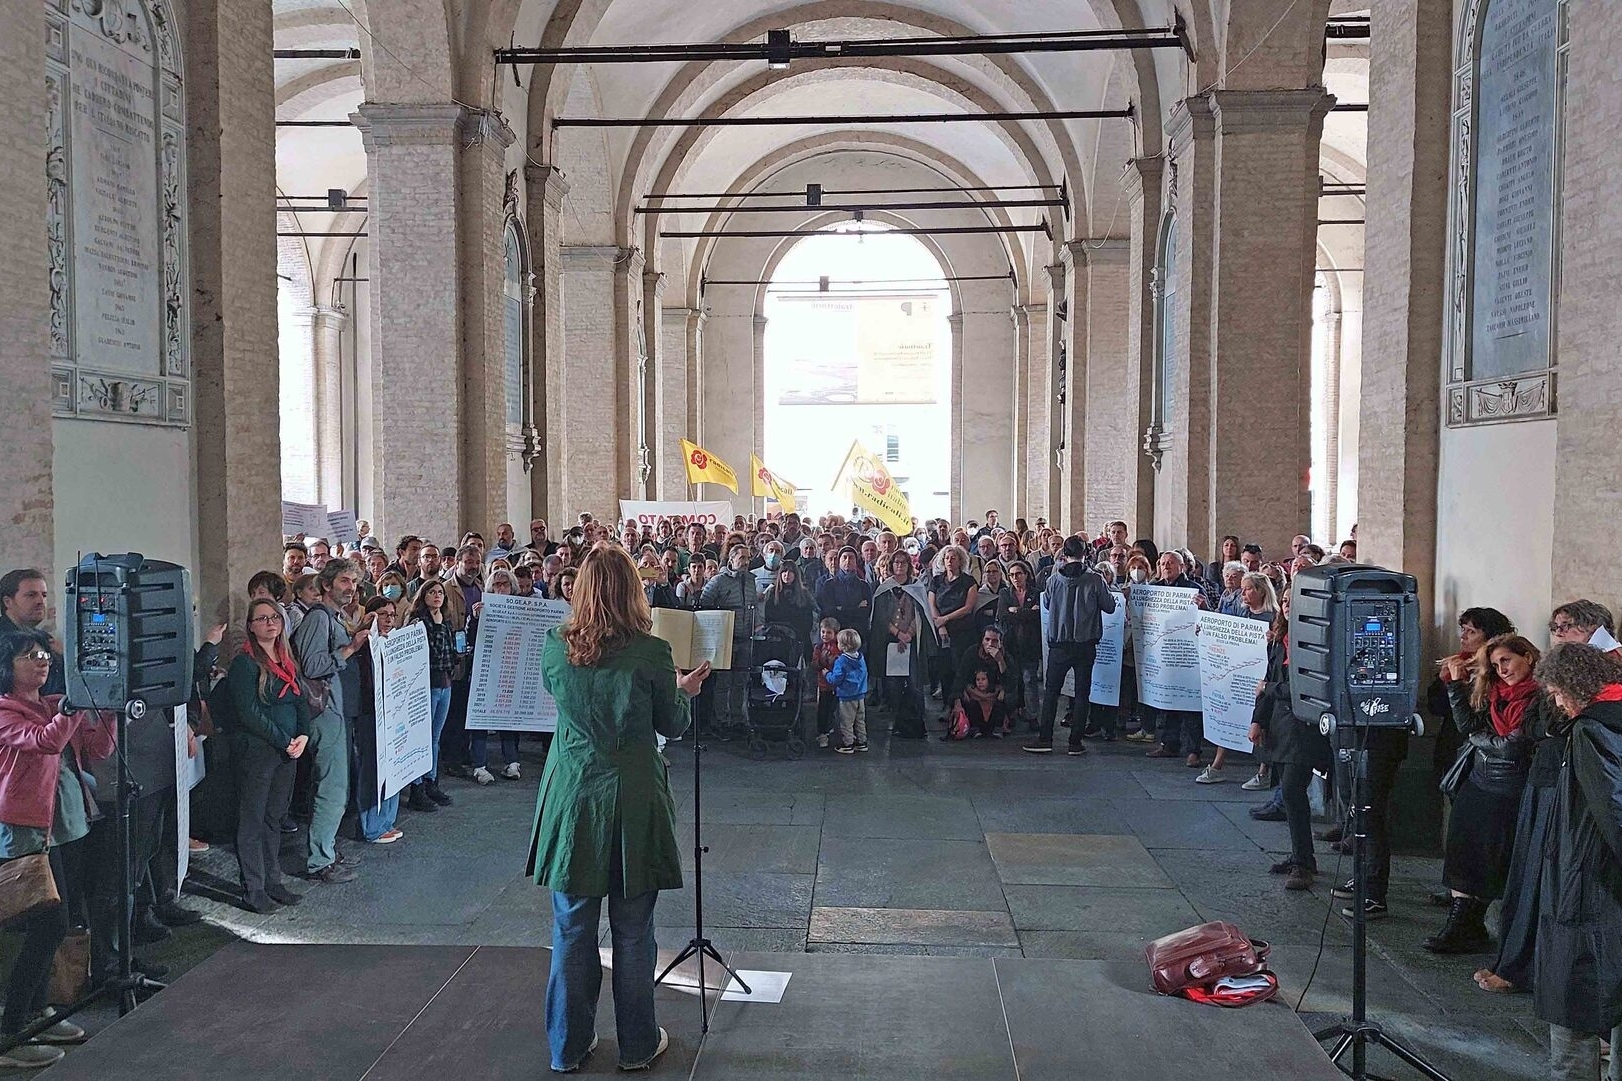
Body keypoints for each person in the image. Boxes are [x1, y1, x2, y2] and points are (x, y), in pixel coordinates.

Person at [526, 545, 709, 1073]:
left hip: (574, 794)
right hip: (632, 797)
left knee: (572, 928)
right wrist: (684, 691)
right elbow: (669, 725)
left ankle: (567, 1045)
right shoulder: (651, 652)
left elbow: (570, 704)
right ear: (633, 591)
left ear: (580, 590)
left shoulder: (554, 646)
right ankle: (635, 1045)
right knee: (632, 930)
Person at [0, 628, 114, 1065]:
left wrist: (108, 707)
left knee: (59, 920)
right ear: (7, 668)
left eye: (45, 654)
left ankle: (35, 1009)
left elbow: (98, 748)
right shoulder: (8, 711)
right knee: (48, 924)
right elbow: (45, 742)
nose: (43, 661)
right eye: (31, 656)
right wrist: (71, 709)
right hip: (27, 830)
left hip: (64, 827)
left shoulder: (48, 705)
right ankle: (11, 1031)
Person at [1521, 643, 1622, 1081]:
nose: (1558, 702)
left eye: (1558, 692)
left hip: (1589, 887)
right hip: (1604, 885)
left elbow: (1613, 808)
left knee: (1573, 1000)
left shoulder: (1593, 731)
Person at [1423, 635, 1549, 953]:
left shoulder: (1539, 696)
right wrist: (1455, 687)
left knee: (1493, 857)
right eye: (1495, 665)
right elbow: (1467, 725)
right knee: (1462, 851)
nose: (1501, 669)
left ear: (1529, 657)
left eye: (1506, 660)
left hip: (1509, 788)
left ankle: (1471, 924)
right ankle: (1462, 923)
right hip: (1479, 781)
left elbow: (1511, 747)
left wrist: (1478, 738)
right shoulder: (1495, 693)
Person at [289, 559, 371, 884]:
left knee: (336, 786)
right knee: (332, 789)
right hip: (326, 712)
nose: (350, 588)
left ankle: (326, 851)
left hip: (339, 709)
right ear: (326, 584)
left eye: (353, 582)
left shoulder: (333, 618)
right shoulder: (318, 619)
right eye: (344, 581)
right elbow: (312, 666)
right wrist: (350, 649)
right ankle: (320, 861)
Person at [227, 600, 312, 910]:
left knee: (274, 818)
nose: (270, 623)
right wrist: (283, 739)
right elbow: (249, 712)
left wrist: (303, 734)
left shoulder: (287, 659)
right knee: (252, 819)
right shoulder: (245, 664)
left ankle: (273, 880)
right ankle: (253, 887)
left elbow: (300, 699)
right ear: (251, 626)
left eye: (275, 617)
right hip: (259, 751)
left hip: (287, 750)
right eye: (262, 619)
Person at [1249, 594, 1328, 890]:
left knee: (1294, 791)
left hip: (1303, 728)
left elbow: (1305, 686)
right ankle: (1301, 855)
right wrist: (1258, 720)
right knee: (1290, 793)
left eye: (1293, 600)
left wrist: (1270, 688)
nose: (1286, 604)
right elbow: (1266, 679)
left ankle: (1304, 863)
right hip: (1280, 727)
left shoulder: (1313, 641)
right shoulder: (1278, 638)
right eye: (1283, 600)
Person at [1026, 536, 1116, 755]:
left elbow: (1046, 603)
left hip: (1059, 644)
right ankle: (1075, 743)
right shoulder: (1095, 579)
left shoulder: (1054, 580)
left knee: (1051, 692)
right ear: (1086, 553)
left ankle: (1045, 739)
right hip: (1085, 644)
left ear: (1064, 554)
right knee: (1082, 693)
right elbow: (1110, 607)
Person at [1199, 572, 1278, 784]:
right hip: (1239, 673)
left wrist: (1272, 639)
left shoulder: (1273, 617)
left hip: (1262, 675)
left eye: (1248, 588)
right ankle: (1217, 765)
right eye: (1243, 588)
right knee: (1229, 713)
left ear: (1261, 591)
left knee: (1261, 721)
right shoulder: (1242, 614)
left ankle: (1263, 771)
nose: (1243, 593)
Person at [1142, 551, 1208, 767]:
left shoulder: (1193, 589)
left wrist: (1204, 608)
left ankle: (1194, 751)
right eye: (1162, 563)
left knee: (1189, 704)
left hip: (1187, 653)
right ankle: (1169, 744)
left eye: (1170, 563)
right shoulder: (1155, 588)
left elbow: (1207, 618)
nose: (1166, 567)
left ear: (1182, 566)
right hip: (1164, 653)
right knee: (1168, 700)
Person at [351, 597, 403, 844]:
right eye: (383, 614)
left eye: (392, 615)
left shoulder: (395, 642)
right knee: (372, 769)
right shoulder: (362, 647)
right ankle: (372, 825)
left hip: (393, 712)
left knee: (394, 767)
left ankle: (387, 820)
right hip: (370, 714)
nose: (389, 619)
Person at [402, 581, 457, 814]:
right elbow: (430, 652)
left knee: (434, 737)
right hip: (427, 686)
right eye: (432, 592)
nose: (437, 596)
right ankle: (416, 788)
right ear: (423, 596)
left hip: (444, 683)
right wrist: (434, 628)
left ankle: (430, 781)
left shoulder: (444, 622)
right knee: (421, 738)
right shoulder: (420, 623)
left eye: (440, 593)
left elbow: (450, 650)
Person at [872, 553, 931, 740]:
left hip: (912, 642)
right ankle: (898, 721)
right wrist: (897, 634)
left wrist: (909, 634)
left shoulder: (917, 586)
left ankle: (917, 721)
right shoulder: (884, 588)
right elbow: (880, 617)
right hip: (890, 642)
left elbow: (920, 614)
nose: (900, 565)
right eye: (896, 562)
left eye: (903, 562)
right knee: (893, 684)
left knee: (915, 683)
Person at [928, 546, 980, 708]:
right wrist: (940, 625)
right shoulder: (936, 580)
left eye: (953, 558)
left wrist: (946, 619)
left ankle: (964, 707)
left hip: (963, 631)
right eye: (947, 558)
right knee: (944, 670)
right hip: (942, 632)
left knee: (961, 669)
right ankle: (948, 706)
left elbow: (968, 607)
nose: (950, 561)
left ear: (960, 561)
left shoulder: (968, 581)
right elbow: (931, 604)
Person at [1000, 560, 1042, 731]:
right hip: (1011, 644)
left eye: (1018, 574)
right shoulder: (1005, 594)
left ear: (1026, 575)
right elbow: (1003, 616)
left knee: (1030, 680)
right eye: (1011, 575)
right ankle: (1010, 715)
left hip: (1030, 644)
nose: (1015, 578)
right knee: (1012, 681)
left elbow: (1038, 617)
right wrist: (1027, 612)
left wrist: (1016, 611)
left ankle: (1032, 715)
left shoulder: (1037, 593)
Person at [815, 547, 873, 639]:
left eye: (851, 558)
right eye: (844, 557)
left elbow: (865, 612)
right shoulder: (829, 585)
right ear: (839, 561)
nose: (847, 560)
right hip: (836, 635)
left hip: (858, 634)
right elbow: (829, 610)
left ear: (856, 561)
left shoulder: (863, 586)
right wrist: (856, 607)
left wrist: (841, 608)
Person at [762, 563, 815, 662]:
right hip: (778, 639)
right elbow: (768, 617)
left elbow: (808, 620)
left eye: (790, 572)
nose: (787, 574)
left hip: (799, 638)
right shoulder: (772, 592)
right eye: (784, 571)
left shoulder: (804, 594)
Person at [828, 628, 869, 754]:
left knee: (846, 722)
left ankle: (848, 743)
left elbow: (836, 679)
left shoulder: (841, 661)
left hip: (846, 697)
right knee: (860, 720)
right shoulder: (860, 658)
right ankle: (862, 742)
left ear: (843, 646)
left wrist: (827, 674)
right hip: (860, 695)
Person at [812, 618, 841, 749]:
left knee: (835, 709)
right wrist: (822, 661)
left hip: (838, 686)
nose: (824, 635)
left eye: (828, 632)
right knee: (823, 710)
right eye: (823, 632)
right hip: (824, 686)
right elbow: (814, 665)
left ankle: (834, 728)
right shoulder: (818, 647)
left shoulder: (841, 647)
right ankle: (822, 733)